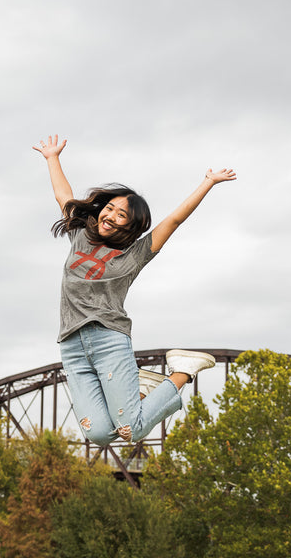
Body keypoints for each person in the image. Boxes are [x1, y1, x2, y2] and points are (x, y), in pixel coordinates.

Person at [33, 134, 236, 446]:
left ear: (132, 226)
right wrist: (52, 158)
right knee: (99, 434)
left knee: (132, 428)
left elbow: (175, 220)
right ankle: (141, 388)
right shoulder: (81, 236)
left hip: (108, 340)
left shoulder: (135, 255)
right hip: (71, 346)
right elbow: (64, 196)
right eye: (110, 209)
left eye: (121, 215)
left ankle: (182, 371)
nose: (111, 217)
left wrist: (207, 182)